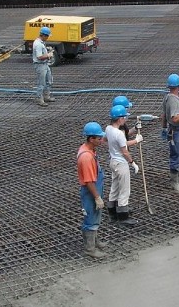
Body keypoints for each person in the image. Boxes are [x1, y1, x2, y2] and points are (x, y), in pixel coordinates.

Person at [106, 104, 142, 225]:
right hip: (121, 163)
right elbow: (125, 151)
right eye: (124, 117)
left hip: (113, 162)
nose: (125, 119)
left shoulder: (108, 129)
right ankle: (122, 215)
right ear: (120, 118)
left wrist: (134, 130)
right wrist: (133, 163)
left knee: (115, 187)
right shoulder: (119, 133)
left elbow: (116, 141)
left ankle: (112, 212)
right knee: (124, 190)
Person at [77, 122, 108, 258]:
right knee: (90, 219)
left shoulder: (89, 150)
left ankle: (95, 241)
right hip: (90, 191)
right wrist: (97, 197)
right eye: (99, 138)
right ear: (91, 139)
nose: (101, 140)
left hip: (94, 188)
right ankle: (90, 249)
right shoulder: (86, 157)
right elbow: (89, 181)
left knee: (95, 217)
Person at [32, 27, 55, 106]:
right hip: (40, 65)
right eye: (47, 36)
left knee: (49, 81)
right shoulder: (38, 44)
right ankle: (40, 99)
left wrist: (47, 51)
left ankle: (46, 96)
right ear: (44, 35)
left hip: (45, 64)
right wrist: (48, 55)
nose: (48, 38)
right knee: (41, 83)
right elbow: (39, 57)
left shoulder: (41, 42)